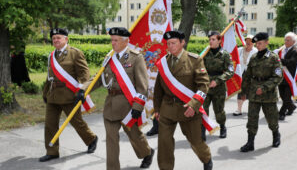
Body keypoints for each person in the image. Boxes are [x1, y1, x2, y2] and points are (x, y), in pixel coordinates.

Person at [78, 27, 154, 170]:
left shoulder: (136, 58)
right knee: (111, 141)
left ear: (126, 41)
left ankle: (147, 152)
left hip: (128, 106)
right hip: (110, 105)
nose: (113, 43)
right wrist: (83, 90)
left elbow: (142, 86)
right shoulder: (109, 58)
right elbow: (98, 78)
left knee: (134, 135)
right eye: (112, 40)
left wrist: (138, 107)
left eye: (116, 40)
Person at [154, 31, 213, 170]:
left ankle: (206, 158)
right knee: (164, 143)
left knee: (195, 141)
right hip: (167, 108)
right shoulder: (164, 62)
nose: (170, 46)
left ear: (182, 43)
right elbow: (158, 88)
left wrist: (194, 105)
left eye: (173, 43)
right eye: (168, 43)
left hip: (188, 109)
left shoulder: (194, 60)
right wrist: (157, 109)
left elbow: (203, 85)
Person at [40, 28, 98, 162]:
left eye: (58, 37)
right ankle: (52, 151)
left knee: (77, 122)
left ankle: (91, 139)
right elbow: (49, 77)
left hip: (70, 95)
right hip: (53, 96)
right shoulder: (51, 56)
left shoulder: (75, 53)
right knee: (50, 124)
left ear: (66, 39)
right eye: (53, 38)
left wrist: (82, 90)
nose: (56, 40)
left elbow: (84, 74)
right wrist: (45, 93)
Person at [240, 32, 282, 152]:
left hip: (268, 94)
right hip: (254, 93)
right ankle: (250, 142)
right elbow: (247, 76)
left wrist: (264, 88)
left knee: (271, 118)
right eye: (256, 43)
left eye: (260, 43)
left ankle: (276, 135)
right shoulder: (253, 57)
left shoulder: (273, 57)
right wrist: (244, 91)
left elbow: (278, 76)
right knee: (252, 118)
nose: (257, 46)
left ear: (266, 42)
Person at [203, 31, 234, 139]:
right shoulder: (205, 53)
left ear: (219, 40)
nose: (210, 41)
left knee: (219, 110)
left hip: (218, 87)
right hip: (205, 85)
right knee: (203, 108)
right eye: (209, 39)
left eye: (213, 39)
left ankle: (222, 127)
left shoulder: (225, 54)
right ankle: (203, 130)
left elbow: (230, 71)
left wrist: (218, 81)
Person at [277, 32, 297, 120]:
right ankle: (291, 107)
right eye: (285, 40)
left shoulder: (296, 51)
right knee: (283, 97)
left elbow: (291, 62)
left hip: (290, 77)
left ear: (293, 42)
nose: (286, 41)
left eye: (288, 40)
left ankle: (281, 113)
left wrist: (278, 60)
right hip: (280, 77)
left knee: (287, 97)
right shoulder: (281, 50)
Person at [233, 35, 258, 116]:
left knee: (251, 92)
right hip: (240, 73)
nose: (248, 42)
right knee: (240, 91)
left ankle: (252, 110)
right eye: (247, 40)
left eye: (250, 41)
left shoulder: (256, 51)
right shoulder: (239, 50)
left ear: (253, 43)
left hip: (251, 74)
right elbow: (234, 60)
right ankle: (238, 109)